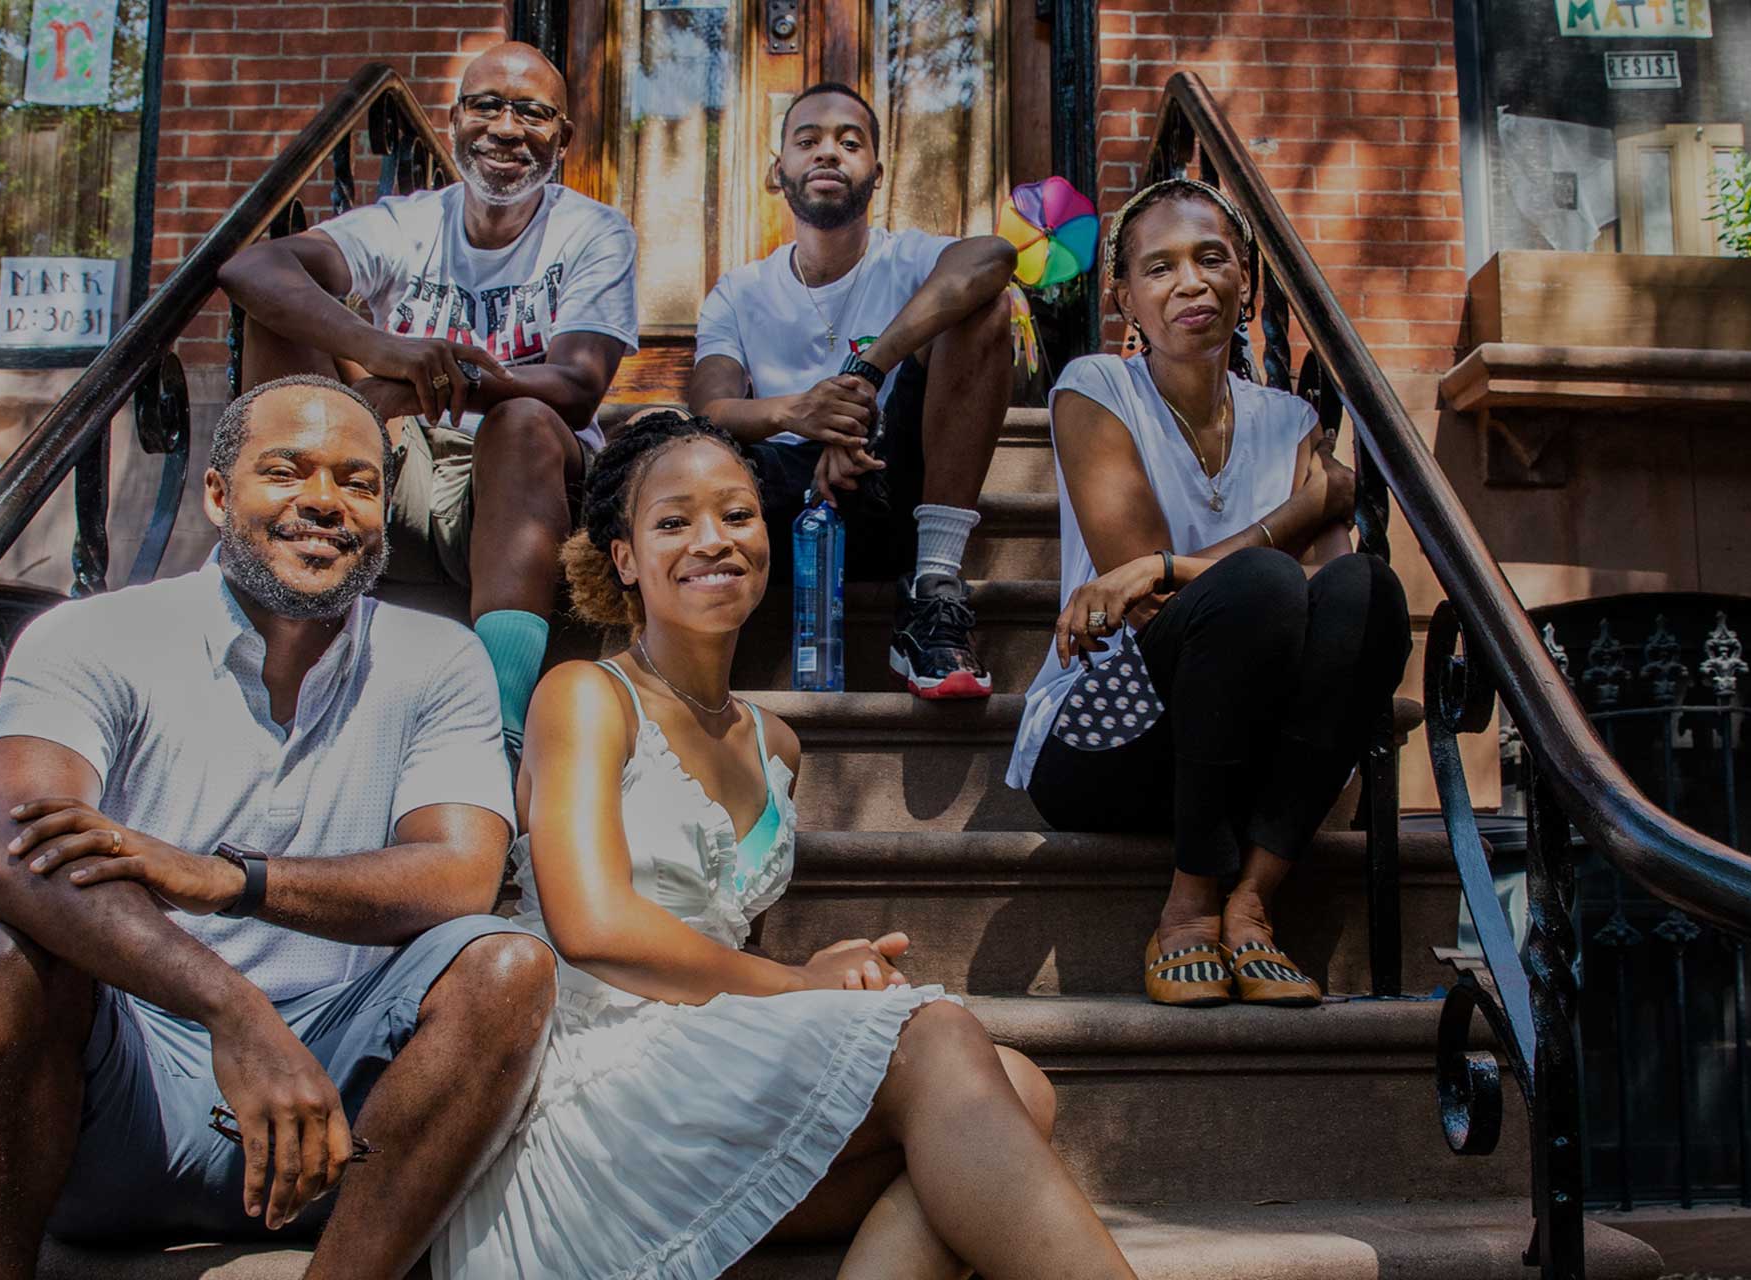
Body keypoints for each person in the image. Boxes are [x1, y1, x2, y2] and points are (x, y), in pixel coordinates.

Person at [434, 413, 1136, 1280]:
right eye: (673, 522)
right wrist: (804, 987)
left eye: (737, 515)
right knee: (943, 1040)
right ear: (625, 560)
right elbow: (593, 926)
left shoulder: (777, 745)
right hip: (601, 1088)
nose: (712, 540)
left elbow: (724, 945)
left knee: (1016, 1086)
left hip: (705, 1068)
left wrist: (825, 979)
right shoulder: (584, 697)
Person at [0, 375, 559, 1280]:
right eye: (286, 472)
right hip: (122, 1086)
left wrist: (230, 879)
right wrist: (233, 1009)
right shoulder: (96, 638)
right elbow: (4, 852)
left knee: (507, 964)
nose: (325, 503)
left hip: (350, 1108)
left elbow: (456, 874)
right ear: (218, 495)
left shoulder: (437, 657)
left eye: (360, 482)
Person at [1003, 180, 1410, 1009]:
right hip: (1111, 734)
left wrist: (1165, 565)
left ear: (1246, 284)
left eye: (1212, 258)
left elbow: (1329, 597)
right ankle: (1190, 903)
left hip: (1245, 747)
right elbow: (1144, 602)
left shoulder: (1290, 418)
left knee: (1370, 587)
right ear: (1126, 300)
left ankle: (1252, 902)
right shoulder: (1094, 391)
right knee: (1257, 584)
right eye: (1160, 268)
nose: (1190, 283)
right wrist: (1298, 511)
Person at [219, 41, 636, 753]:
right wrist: (381, 350)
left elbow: (574, 388)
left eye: (532, 113)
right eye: (487, 106)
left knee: (524, 420)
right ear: (454, 121)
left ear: (562, 139)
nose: (506, 127)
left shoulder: (592, 231)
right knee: (274, 316)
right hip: (395, 474)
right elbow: (253, 267)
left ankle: (497, 727)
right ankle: (276, 605)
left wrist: (406, 386)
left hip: (528, 490)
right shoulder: (405, 222)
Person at [687, 82, 1018, 699]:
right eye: (807, 141)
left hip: (892, 487)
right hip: (781, 502)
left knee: (984, 309)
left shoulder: (909, 257)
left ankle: (934, 591)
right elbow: (709, 409)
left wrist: (864, 381)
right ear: (776, 171)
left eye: (849, 142)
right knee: (695, 456)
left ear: (878, 172)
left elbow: (994, 255)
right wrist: (806, 414)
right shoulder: (740, 291)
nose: (828, 154)